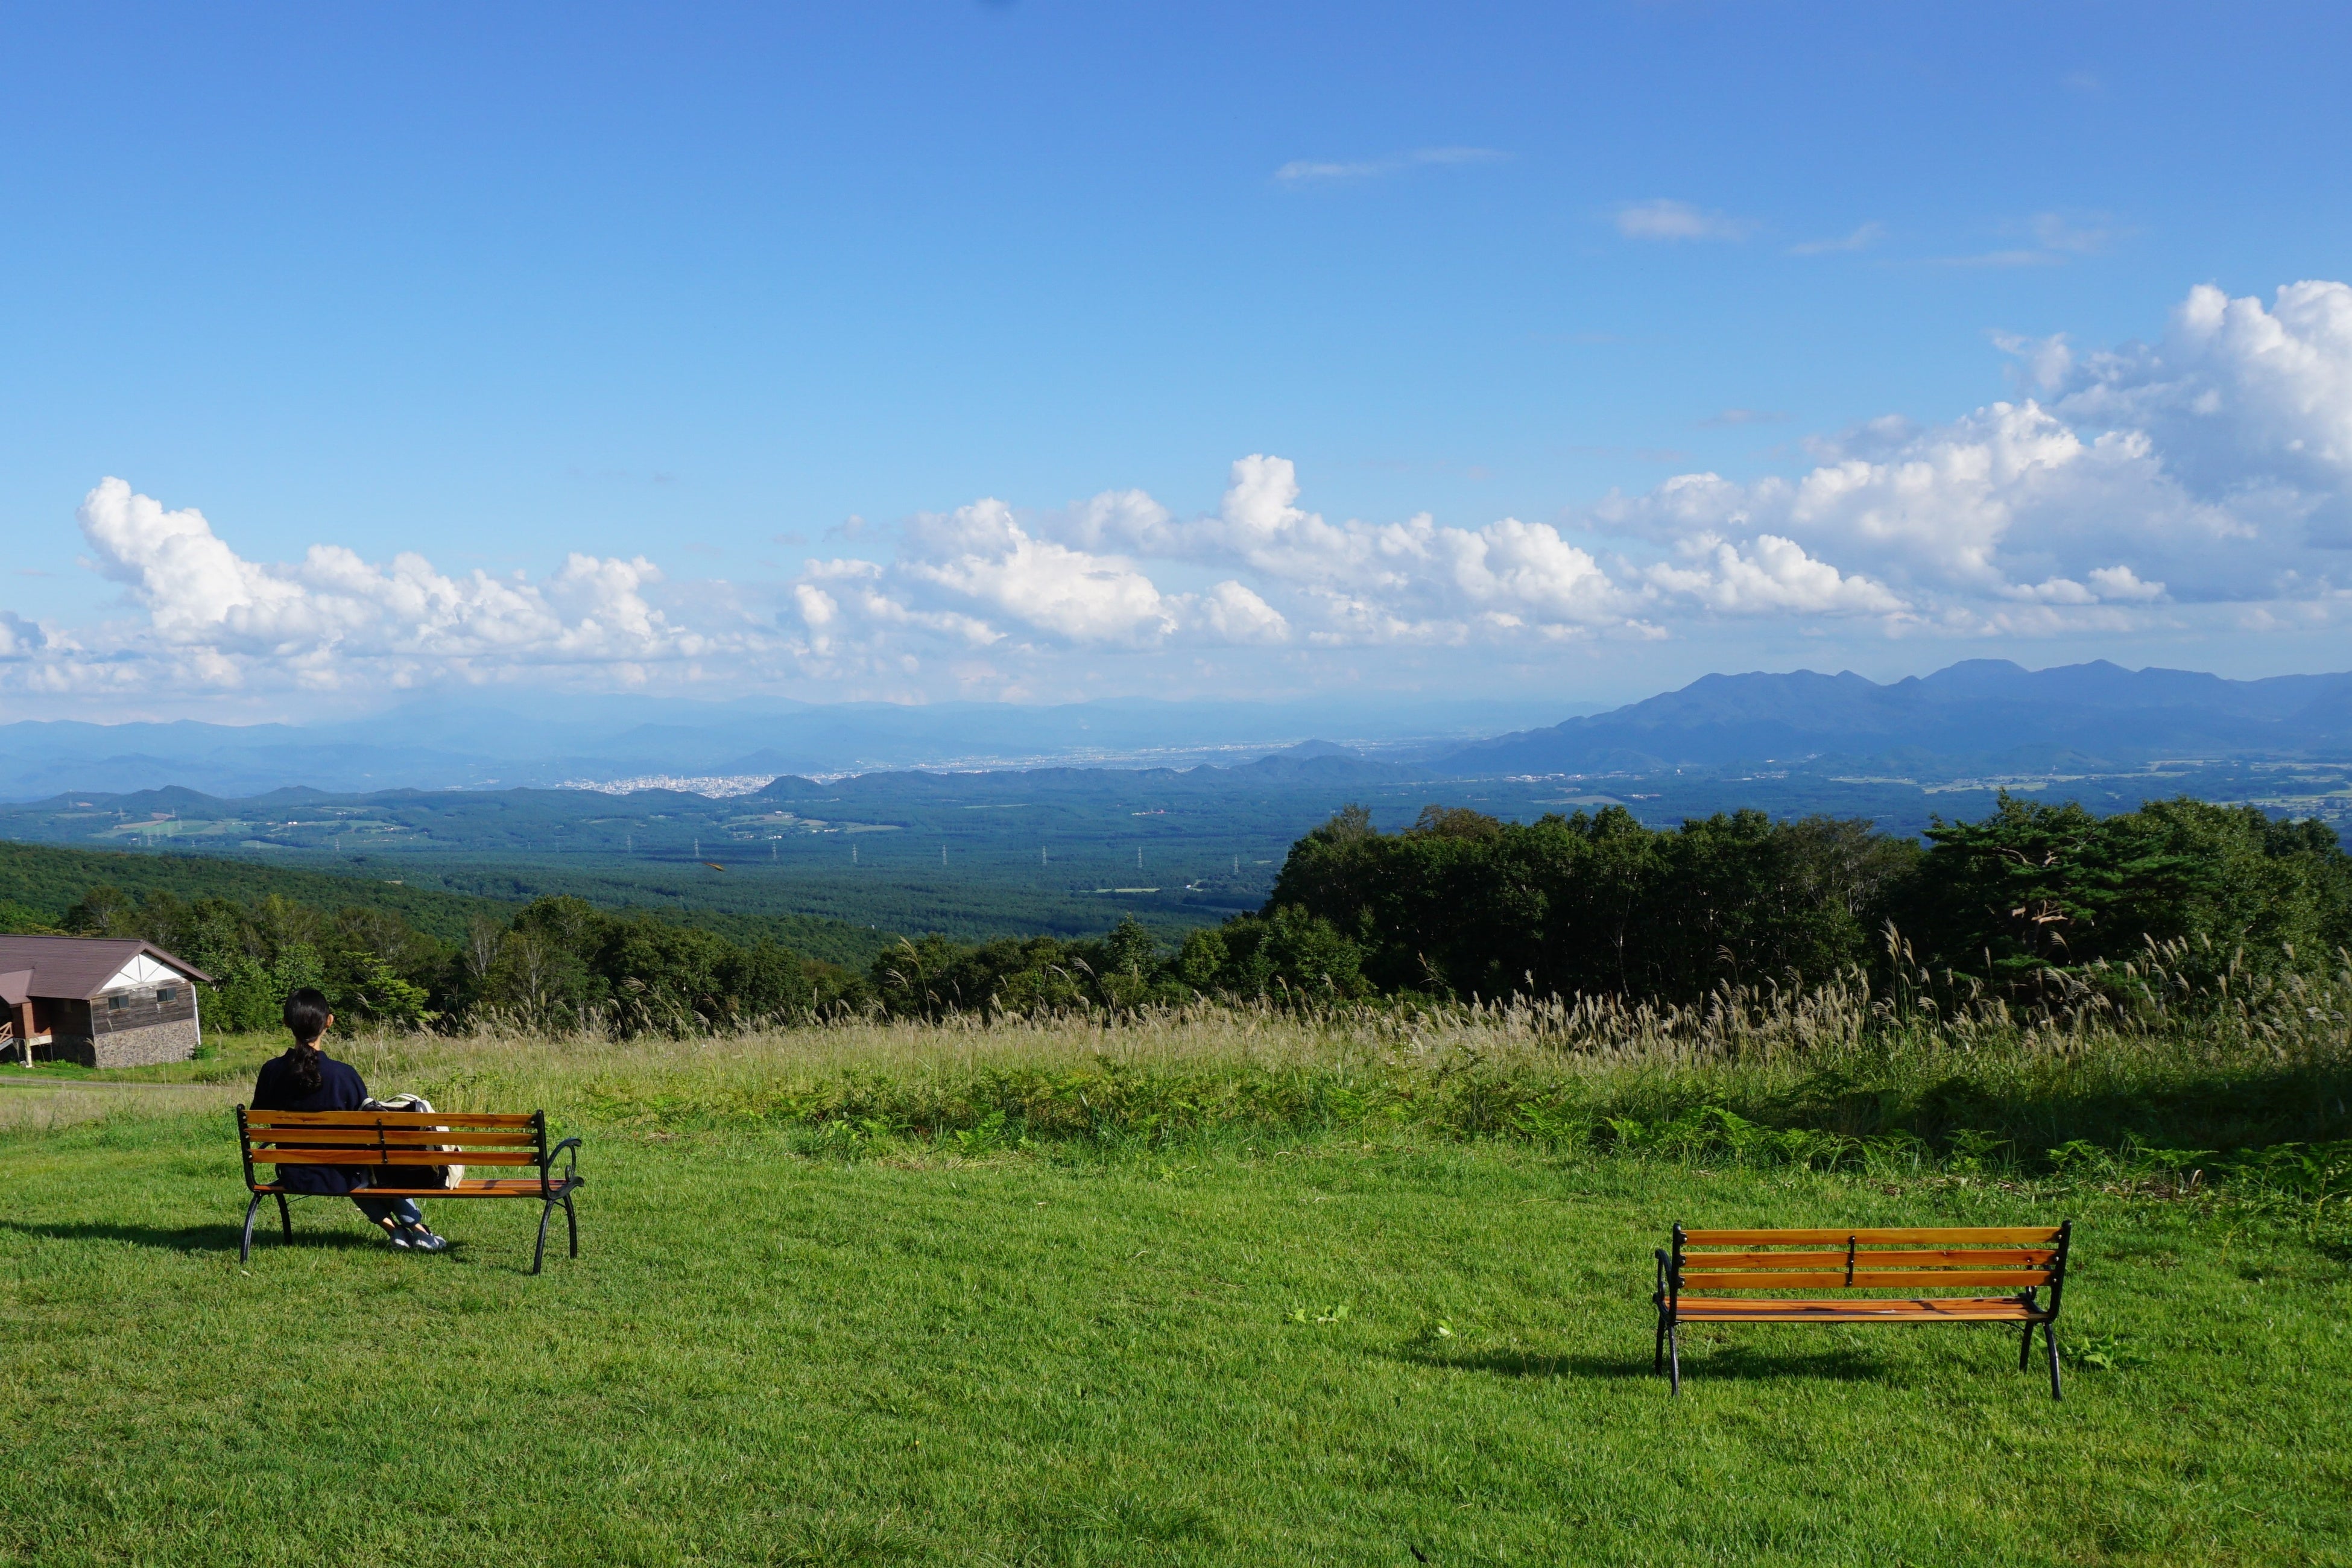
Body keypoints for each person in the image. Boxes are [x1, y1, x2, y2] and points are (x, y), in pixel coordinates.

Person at [250, 987, 449, 1252]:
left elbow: (260, 1120)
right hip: (343, 1174)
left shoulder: (271, 1071)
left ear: (286, 1022)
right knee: (375, 1169)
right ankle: (421, 1233)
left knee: (357, 1169)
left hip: (295, 1173)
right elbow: (368, 1125)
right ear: (329, 1022)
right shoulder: (343, 1075)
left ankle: (397, 1232)